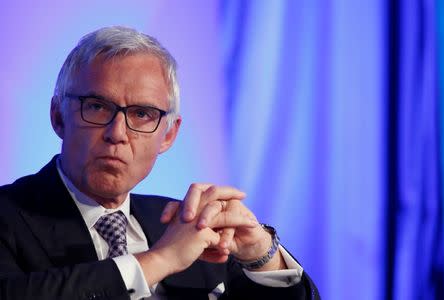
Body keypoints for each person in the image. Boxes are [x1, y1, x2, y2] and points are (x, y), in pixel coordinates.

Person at [0, 26, 319, 300]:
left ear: (168, 135)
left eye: (142, 114)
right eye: (96, 107)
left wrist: (261, 255)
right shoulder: (9, 217)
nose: (117, 133)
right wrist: (159, 259)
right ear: (58, 116)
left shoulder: (188, 224)